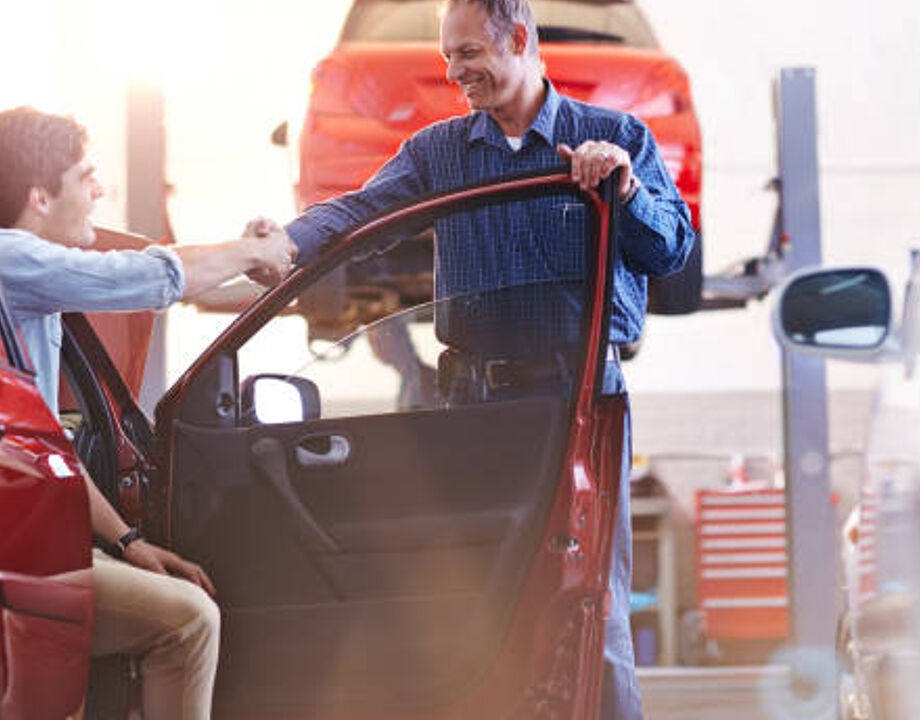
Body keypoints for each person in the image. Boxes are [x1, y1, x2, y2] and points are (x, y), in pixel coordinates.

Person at [272, 1, 696, 716]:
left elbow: (671, 250)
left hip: (579, 402)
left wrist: (623, 187)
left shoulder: (614, 136)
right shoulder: (439, 153)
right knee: (475, 599)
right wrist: (278, 248)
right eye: (449, 55)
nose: (454, 70)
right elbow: (358, 217)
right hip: (470, 404)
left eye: (469, 52)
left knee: (593, 602)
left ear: (521, 39)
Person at [0, 106, 297, 720]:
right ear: (40, 195)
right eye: (86, 176)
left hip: (28, 534)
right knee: (190, 620)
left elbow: (46, 442)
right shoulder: (9, 259)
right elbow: (146, 276)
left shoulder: (20, 280)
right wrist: (251, 249)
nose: (99, 191)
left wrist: (128, 540)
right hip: (5, 551)